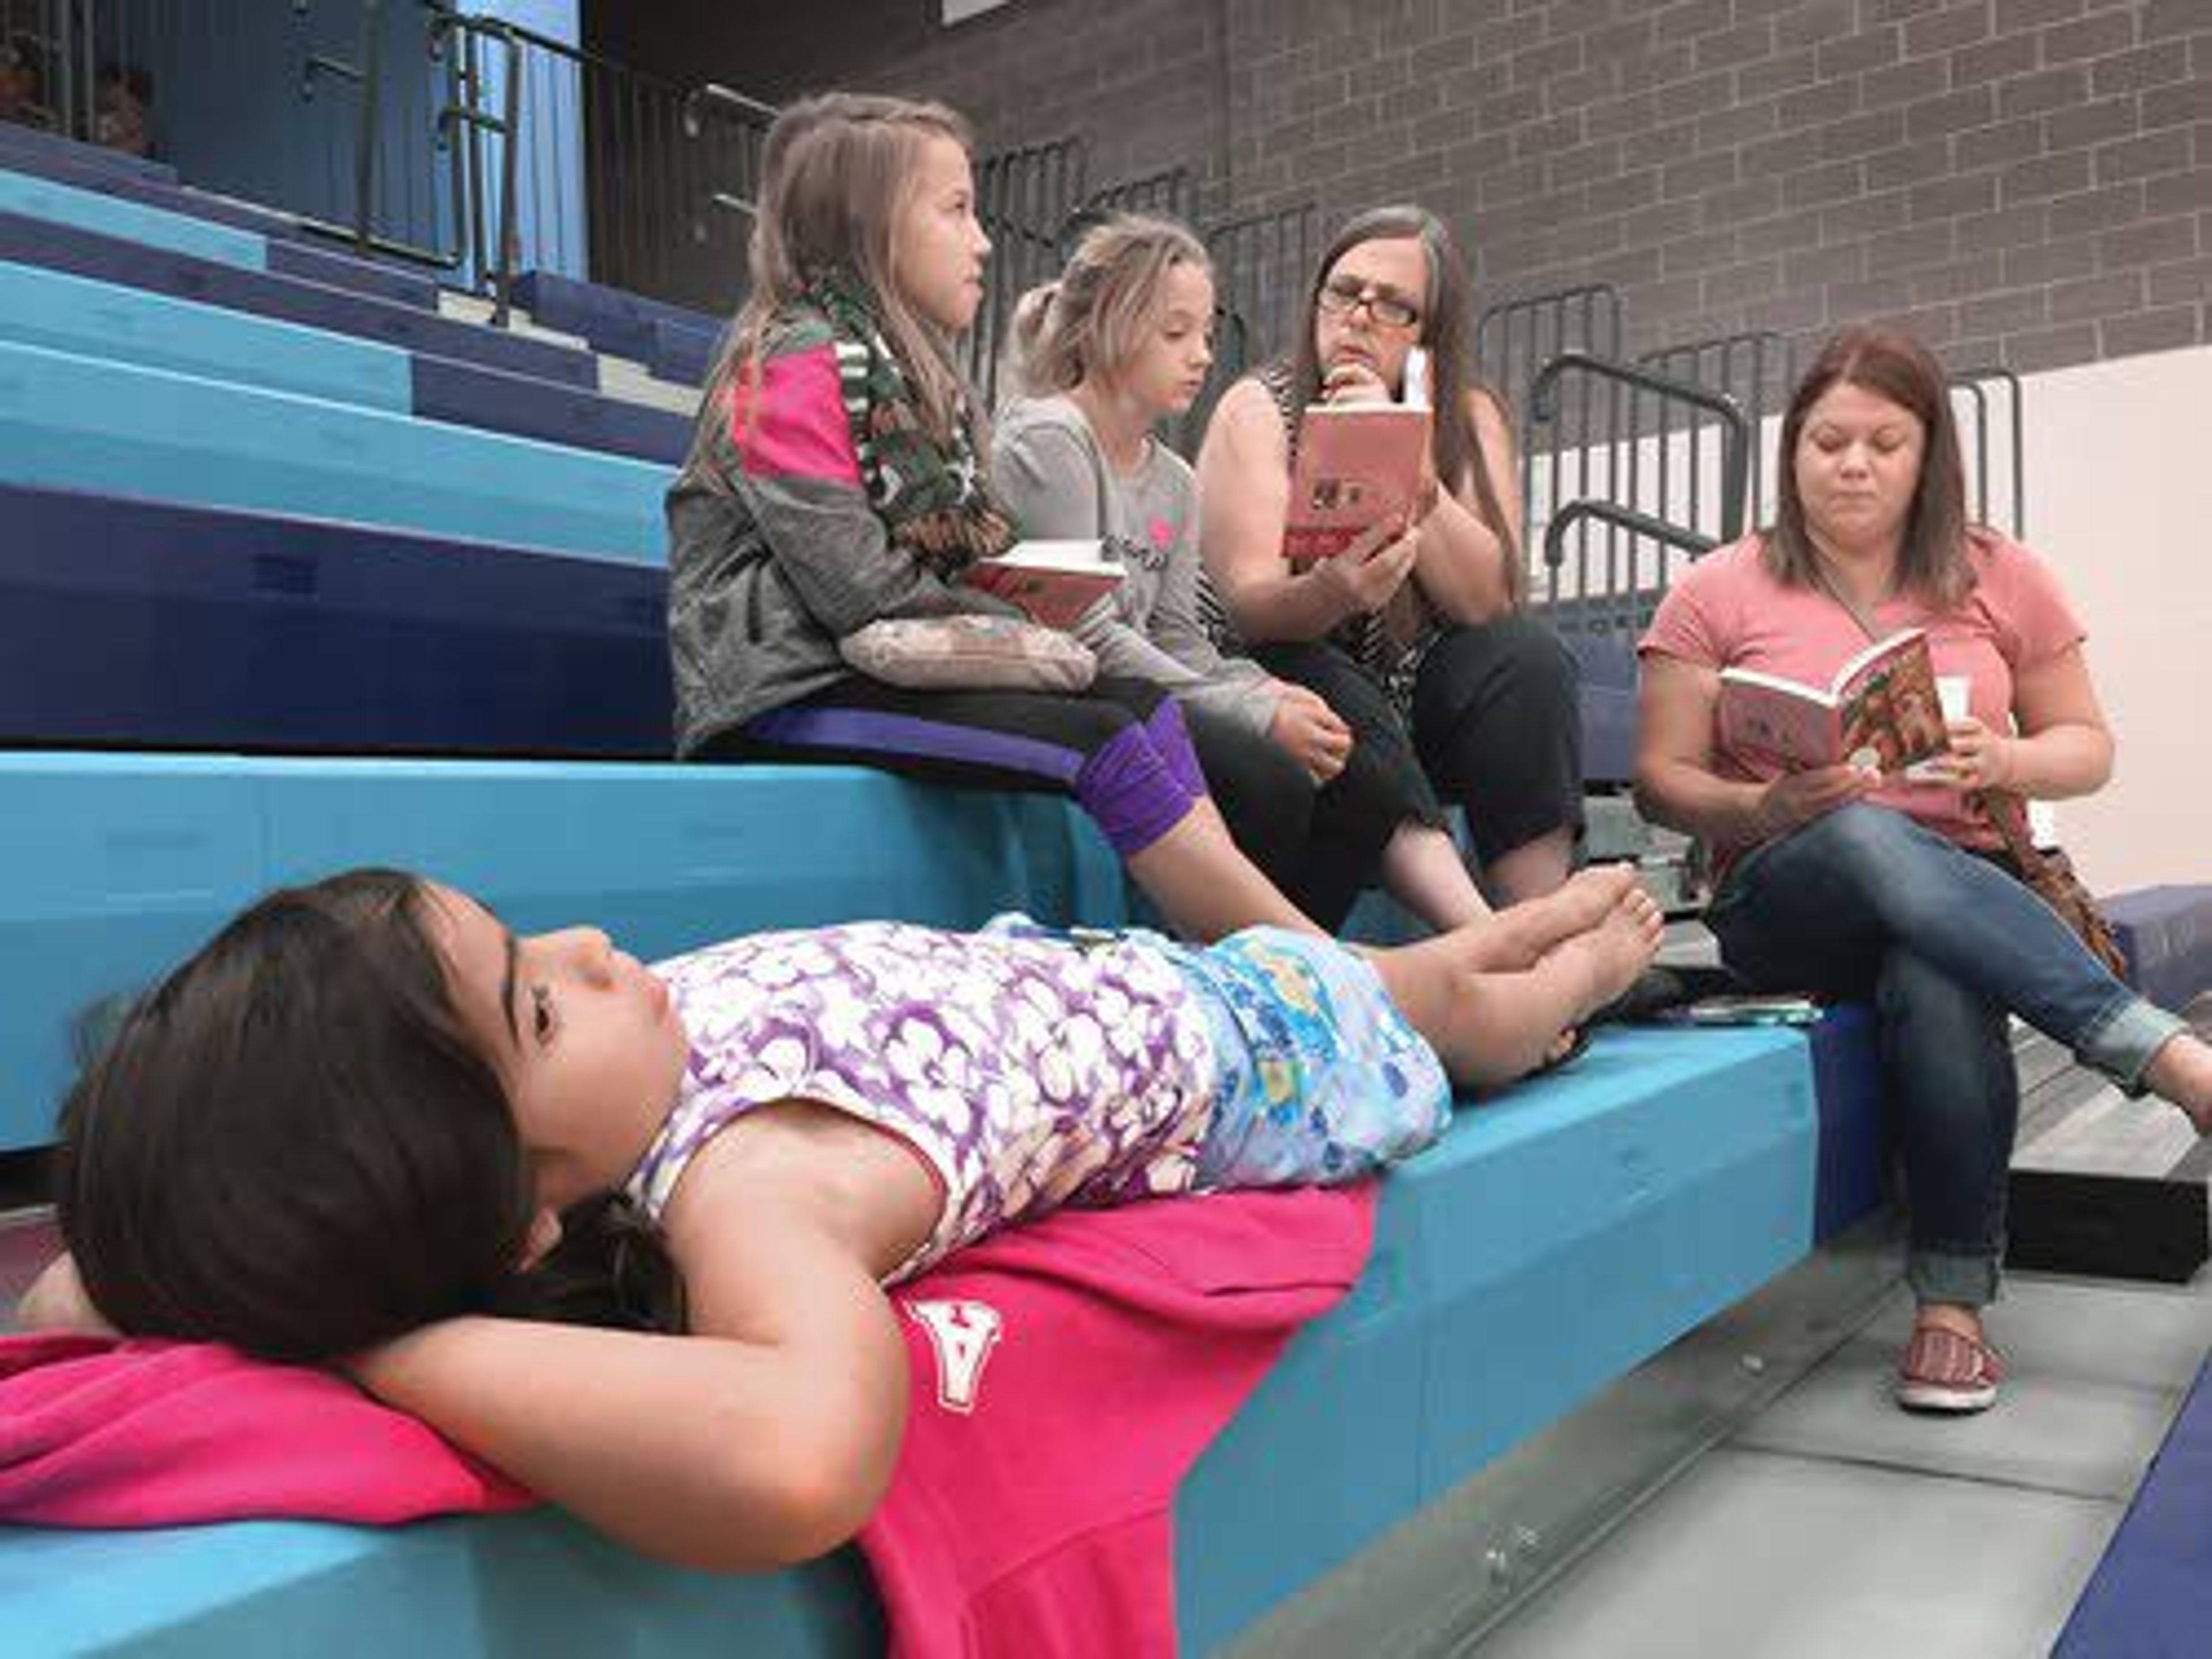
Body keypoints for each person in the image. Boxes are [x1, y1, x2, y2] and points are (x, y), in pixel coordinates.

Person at [19, 861, 1664, 1569]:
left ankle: (1549, 929)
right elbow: (802, 1451)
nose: (595, 950)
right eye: (536, 1007)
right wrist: (388, 1337)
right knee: (1484, 1018)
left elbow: (83, 1289)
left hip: (1111, 972)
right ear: (517, 1224)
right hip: (1267, 1064)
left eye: (529, 945)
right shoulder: (754, 1183)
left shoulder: (624, 1074)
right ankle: (1610, 950)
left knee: (1426, 964)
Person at [1634, 323, 2212, 1415]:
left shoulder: (1998, 573)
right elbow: (1663, 779)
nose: (1852, 464)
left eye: (1884, 444)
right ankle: (2168, 1059)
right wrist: (1764, 804)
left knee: (1938, 969)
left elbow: (2088, 747)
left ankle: (1952, 1305)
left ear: (1927, 454)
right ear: (1792, 449)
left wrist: (2009, 757)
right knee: (1858, 835)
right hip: (1786, 892)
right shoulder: (1720, 586)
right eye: (1828, 441)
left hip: (1962, 889)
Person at [666, 93, 1306, 944]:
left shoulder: (928, 377)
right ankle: (1303, 963)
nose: (984, 240)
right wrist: (1015, 616)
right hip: (787, 690)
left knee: (1143, 707)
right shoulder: (788, 358)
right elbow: (856, 588)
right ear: (872, 226)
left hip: (889, 665)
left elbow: (974, 548)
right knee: (1103, 732)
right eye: (957, 210)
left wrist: (1022, 593)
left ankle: (1261, 957)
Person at [993, 212, 1507, 935]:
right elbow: (1083, 631)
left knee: (1347, 766)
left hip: (1147, 687)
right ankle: (1255, 966)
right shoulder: (1051, 440)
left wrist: (1265, 692)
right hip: (1075, 689)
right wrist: (1252, 706)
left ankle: (1313, 974)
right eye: (1177, 334)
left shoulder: (1171, 478)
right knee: (1266, 774)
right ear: (1106, 327)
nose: (1202, 356)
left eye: (1206, 333)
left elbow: (1179, 635)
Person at [1195, 204, 1584, 915]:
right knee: (1321, 674)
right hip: (1289, 688)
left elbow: (1489, 601)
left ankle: (1542, 920)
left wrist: (1411, 467)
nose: (1359, 316)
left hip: (1412, 697)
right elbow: (1250, 608)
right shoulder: (1259, 407)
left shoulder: (1466, 415)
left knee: (1529, 658)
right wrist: (1334, 592)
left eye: (1394, 305)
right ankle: (1483, 941)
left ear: (1429, 338)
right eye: (1344, 292)